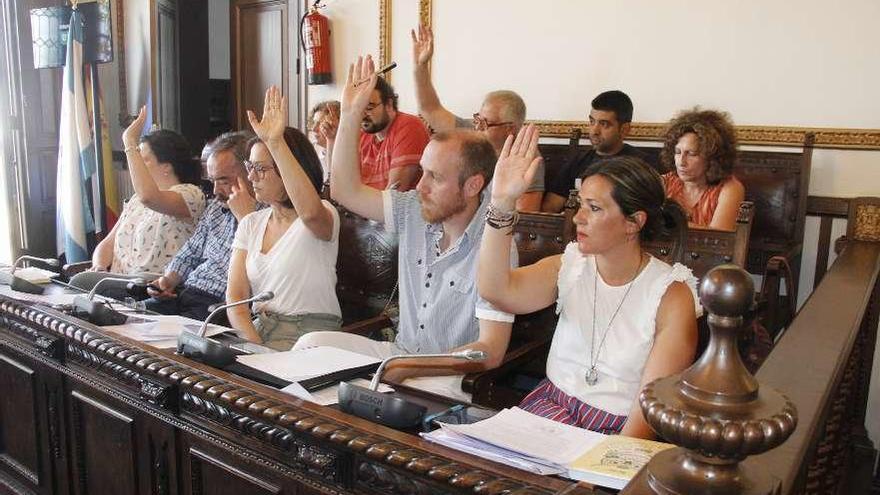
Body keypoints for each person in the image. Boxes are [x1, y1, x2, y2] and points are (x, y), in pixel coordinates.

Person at [293, 56, 516, 401]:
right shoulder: (416, 209)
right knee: (311, 346)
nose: (420, 186)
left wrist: (413, 368)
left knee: (366, 394)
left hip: (446, 375)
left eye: (435, 177)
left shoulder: (496, 243)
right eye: (422, 171)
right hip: (398, 355)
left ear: (472, 186)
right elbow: (345, 191)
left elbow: (490, 350)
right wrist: (351, 115)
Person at [478, 125, 700, 438]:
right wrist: (502, 201)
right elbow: (495, 290)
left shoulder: (670, 295)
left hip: (616, 432)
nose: (578, 218)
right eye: (580, 203)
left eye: (594, 208)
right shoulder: (572, 265)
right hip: (548, 411)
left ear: (634, 222)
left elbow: (645, 419)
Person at [225, 86, 342, 351]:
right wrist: (254, 345)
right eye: (250, 167)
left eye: (261, 169)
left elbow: (310, 213)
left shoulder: (321, 214)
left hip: (308, 336)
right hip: (257, 332)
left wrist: (276, 142)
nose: (251, 177)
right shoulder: (250, 223)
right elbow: (235, 297)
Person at [411, 24, 544, 211]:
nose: (477, 127)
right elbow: (429, 109)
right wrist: (420, 67)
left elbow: (526, 215)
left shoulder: (526, 158)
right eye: (477, 119)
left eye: (485, 123)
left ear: (510, 128)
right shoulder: (471, 134)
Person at [75, 107, 206, 293]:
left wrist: (129, 140)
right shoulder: (136, 199)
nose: (135, 166)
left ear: (167, 166)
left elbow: (149, 197)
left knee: (79, 287)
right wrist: (100, 267)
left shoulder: (190, 194)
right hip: (116, 284)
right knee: (78, 284)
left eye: (143, 159)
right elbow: (107, 243)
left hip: (151, 288)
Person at [144, 131, 258, 321]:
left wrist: (246, 218)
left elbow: (262, 270)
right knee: (134, 319)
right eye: (212, 181)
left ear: (250, 172)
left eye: (223, 180)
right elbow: (191, 251)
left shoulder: (267, 214)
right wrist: (168, 280)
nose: (215, 190)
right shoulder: (215, 207)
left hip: (218, 306)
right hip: (187, 292)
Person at [542, 90, 647, 213]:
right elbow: (550, 208)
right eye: (592, 121)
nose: (594, 131)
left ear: (624, 129)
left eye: (604, 124)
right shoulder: (577, 162)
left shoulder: (641, 165)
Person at [660, 108, 745, 231]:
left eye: (692, 154)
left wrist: (669, 224)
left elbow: (719, 238)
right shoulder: (664, 182)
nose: (681, 162)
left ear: (712, 157)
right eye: (678, 152)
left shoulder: (730, 188)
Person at [358, 76, 430, 191]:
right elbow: (342, 186)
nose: (362, 115)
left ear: (389, 105)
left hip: (392, 208)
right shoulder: (362, 134)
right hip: (360, 206)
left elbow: (392, 198)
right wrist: (331, 141)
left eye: (369, 107)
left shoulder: (409, 126)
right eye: (359, 108)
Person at [308, 100, 340, 183]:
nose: (314, 129)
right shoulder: (311, 150)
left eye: (321, 123)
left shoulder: (351, 153)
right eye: (314, 123)